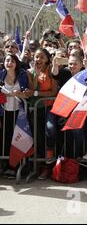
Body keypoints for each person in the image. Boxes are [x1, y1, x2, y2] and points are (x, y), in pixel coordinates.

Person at [28, 48, 58, 179]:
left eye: (41, 57)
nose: (38, 60)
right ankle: (42, 168)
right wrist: (36, 74)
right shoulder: (30, 72)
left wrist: (36, 94)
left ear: (47, 59)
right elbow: (32, 89)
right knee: (38, 137)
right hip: (36, 108)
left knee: (50, 129)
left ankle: (51, 155)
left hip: (50, 107)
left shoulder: (52, 71)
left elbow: (53, 92)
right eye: (36, 57)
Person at [0, 54, 31, 177]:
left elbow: (28, 93)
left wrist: (19, 93)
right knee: (5, 138)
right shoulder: (1, 74)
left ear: (16, 63)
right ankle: (6, 165)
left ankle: (17, 166)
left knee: (18, 138)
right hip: (4, 112)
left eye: (12, 61)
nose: (9, 63)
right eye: (7, 60)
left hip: (19, 113)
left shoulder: (22, 75)